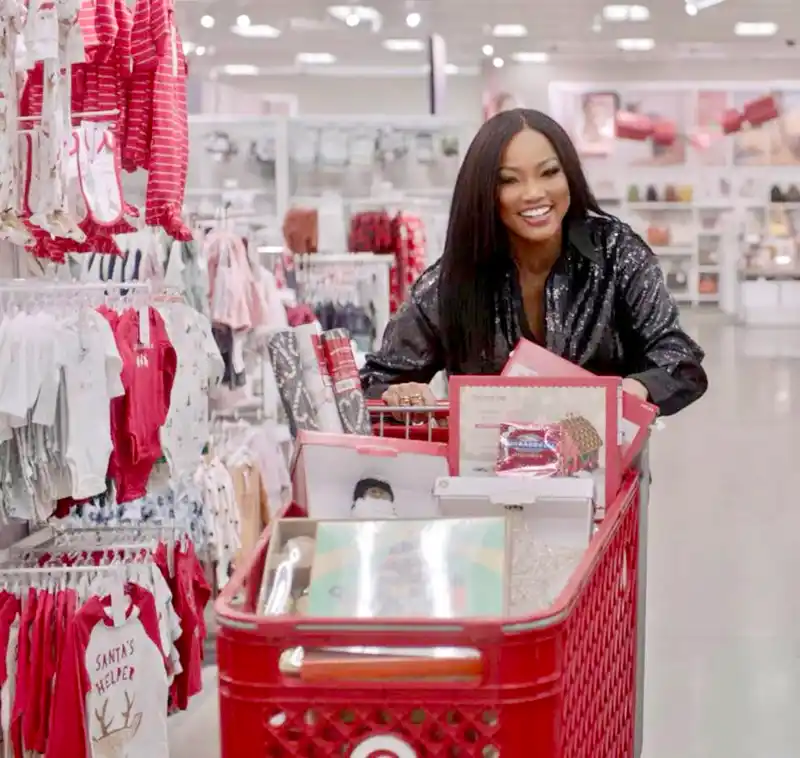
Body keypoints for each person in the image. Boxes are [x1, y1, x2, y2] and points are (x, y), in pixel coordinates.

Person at [360, 108, 708, 417]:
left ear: (568, 174)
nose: (533, 193)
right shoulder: (451, 282)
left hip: (600, 472)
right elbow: (375, 381)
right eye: (509, 180)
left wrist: (637, 388)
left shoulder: (616, 253)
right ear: (484, 193)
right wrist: (398, 393)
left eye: (549, 172)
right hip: (487, 477)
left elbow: (675, 354)